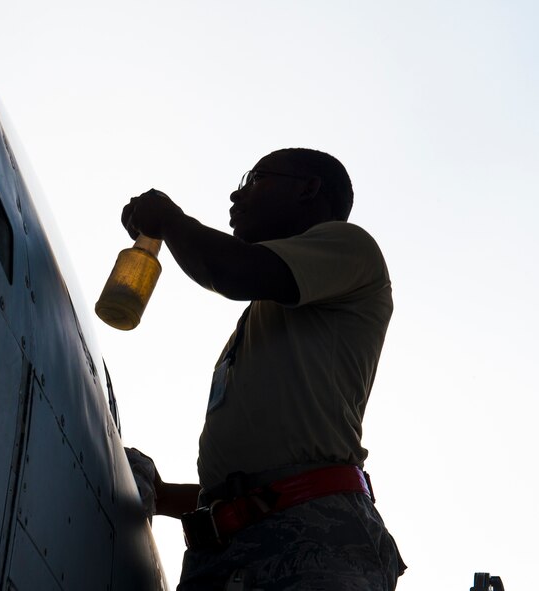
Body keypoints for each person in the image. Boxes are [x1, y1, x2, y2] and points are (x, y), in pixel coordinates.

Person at [121, 148, 405, 590]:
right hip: (228, 556)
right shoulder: (265, 318)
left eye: (254, 179)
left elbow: (230, 270)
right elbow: (254, 487)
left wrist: (169, 220)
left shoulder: (351, 247)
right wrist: (162, 495)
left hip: (310, 544)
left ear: (309, 189)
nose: (236, 195)